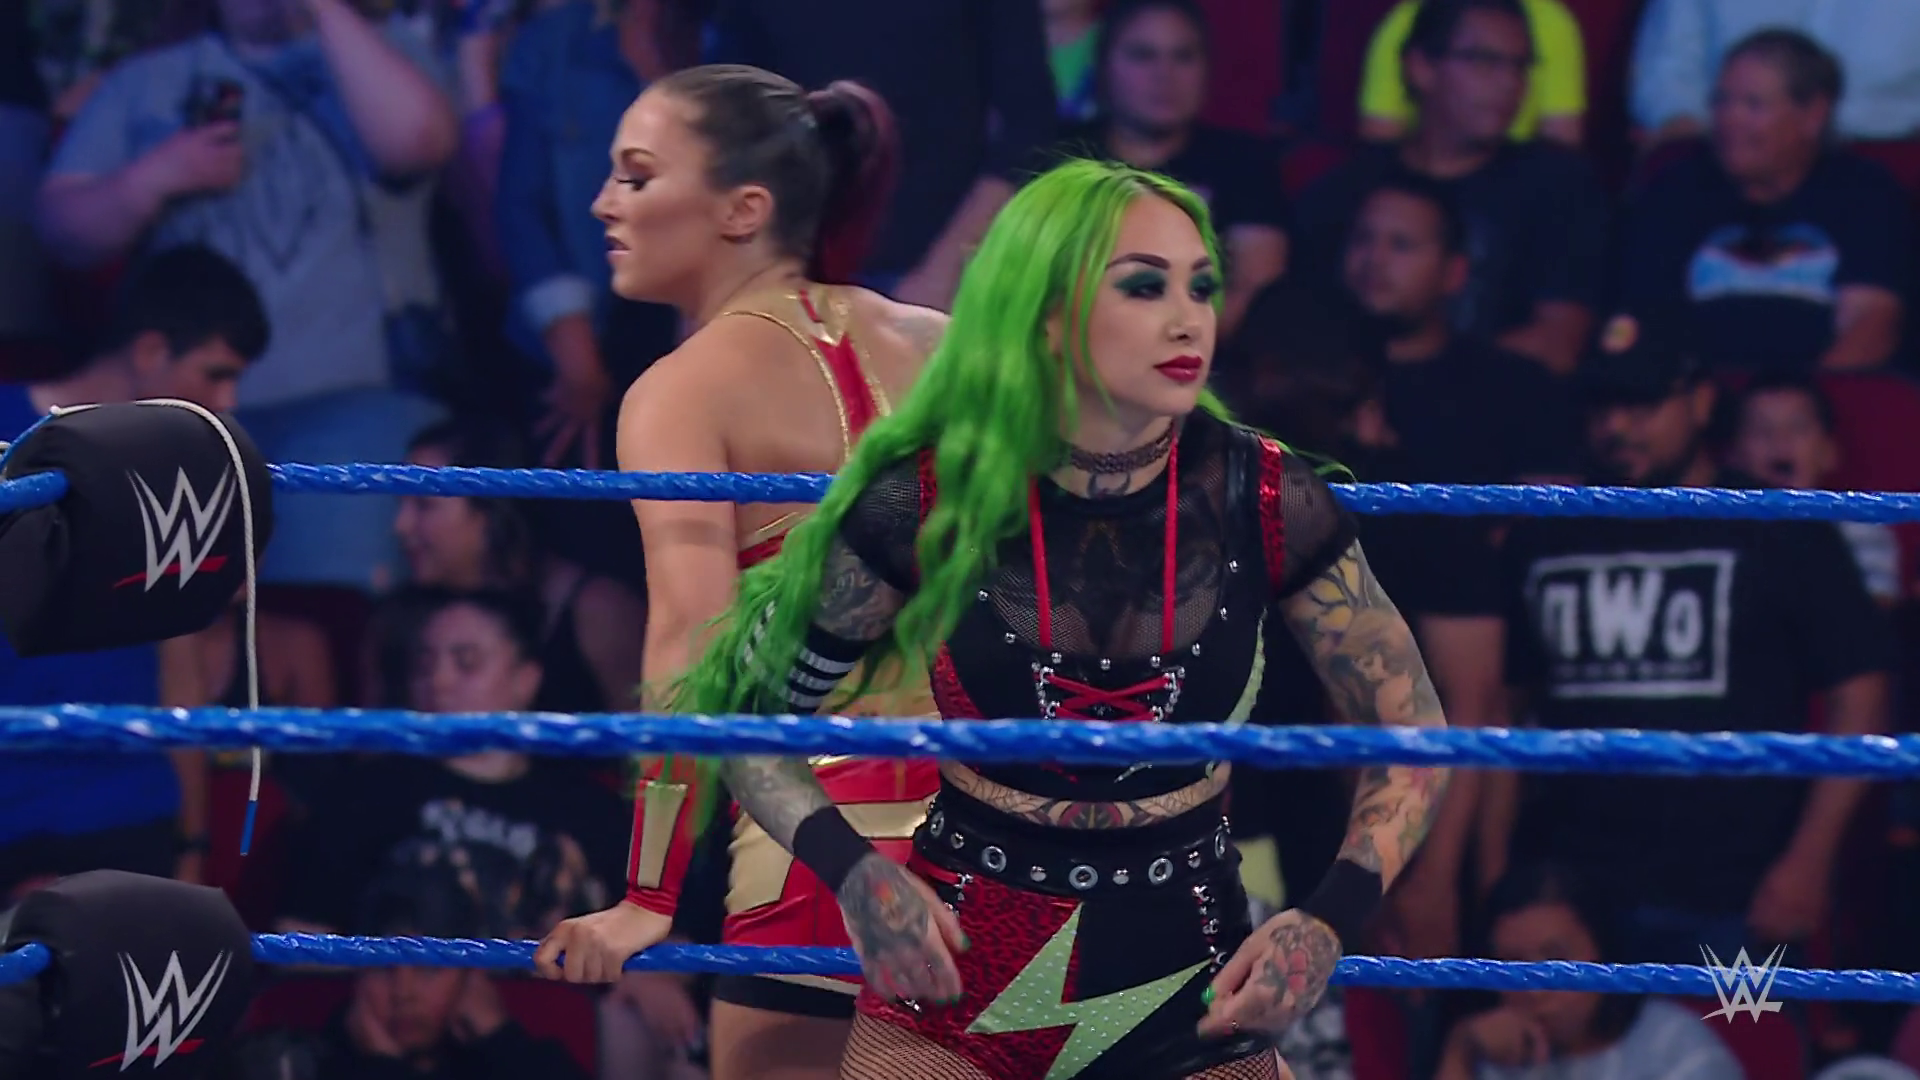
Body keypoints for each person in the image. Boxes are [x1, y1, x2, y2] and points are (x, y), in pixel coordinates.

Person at [552, 158, 1453, 1079]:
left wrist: (1330, 916)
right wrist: (855, 874)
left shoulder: (1264, 494)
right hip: (954, 988)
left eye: (1201, 286)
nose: (1189, 319)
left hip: (1190, 982)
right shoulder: (927, 498)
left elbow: (1414, 725)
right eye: (1145, 287)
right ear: (1048, 312)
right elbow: (751, 715)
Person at [531, 64, 950, 1080]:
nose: (604, 204)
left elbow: (693, 644)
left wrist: (648, 897)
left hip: (822, 851)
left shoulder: (682, 389)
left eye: (637, 176)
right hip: (1005, 834)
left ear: (742, 210)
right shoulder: (942, 346)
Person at [0, 243, 268, 901]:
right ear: (150, 351)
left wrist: (191, 844)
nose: (227, 402)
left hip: (127, 812)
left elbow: (181, 667)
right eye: (215, 374)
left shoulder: (185, 472)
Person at [394, 420, 647, 712]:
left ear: (488, 512)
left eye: (424, 505)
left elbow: (649, 731)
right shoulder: (401, 617)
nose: (401, 526)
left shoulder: (598, 611)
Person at [1438, 864, 1744, 1080]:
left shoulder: (1677, 1048)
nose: (1534, 990)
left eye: (1556, 961)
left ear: (1603, 955)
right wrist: (1461, 1049)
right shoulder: (1496, 1054)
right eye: (1512, 966)